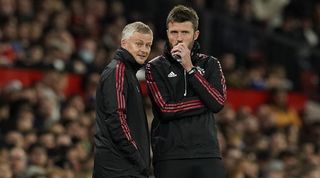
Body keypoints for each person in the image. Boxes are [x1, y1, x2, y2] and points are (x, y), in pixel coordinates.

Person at [145, 5, 227, 178]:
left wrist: (190, 68)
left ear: (195, 35)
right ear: (167, 33)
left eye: (185, 32)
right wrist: (205, 102)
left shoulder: (210, 64)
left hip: (207, 153)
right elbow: (166, 109)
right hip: (170, 155)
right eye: (174, 32)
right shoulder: (155, 67)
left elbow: (218, 103)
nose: (179, 38)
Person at [93, 21, 153, 178]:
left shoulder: (128, 72)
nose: (144, 50)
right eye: (139, 44)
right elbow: (117, 118)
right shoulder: (118, 70)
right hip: (119, 169)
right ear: (124, 43)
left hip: (123, 167)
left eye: (148, 45)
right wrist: (138, 158)